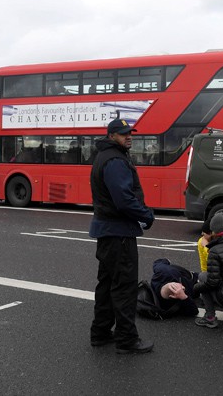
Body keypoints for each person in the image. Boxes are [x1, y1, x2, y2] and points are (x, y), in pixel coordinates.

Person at [89, 118, 155, 354]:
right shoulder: (115, 160)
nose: (129, 137)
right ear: (111, 136)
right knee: (125, 287)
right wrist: (147, 215)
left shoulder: (104, 157)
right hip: (119, 234)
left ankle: (100, 332)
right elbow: (124, 200)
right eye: (123, 134)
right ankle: (126, 340)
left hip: (107, 232)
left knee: (107, 285)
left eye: (130, 133)